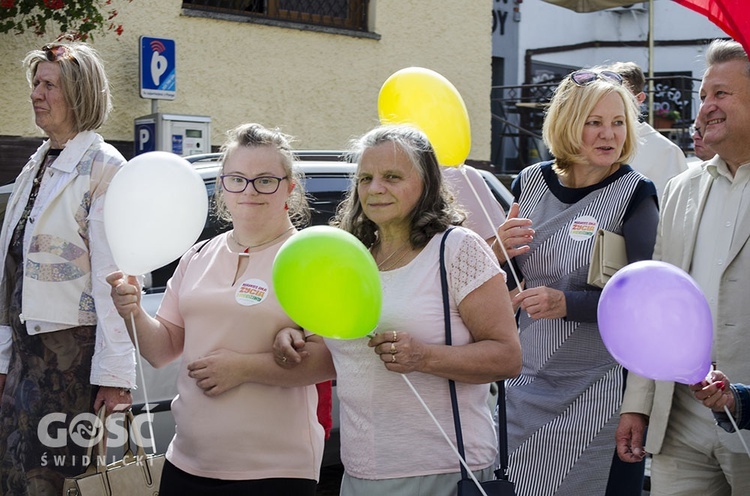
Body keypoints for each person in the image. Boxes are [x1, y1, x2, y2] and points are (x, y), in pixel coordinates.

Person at [274, 124, 522, 496]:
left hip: (442, 470)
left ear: (425, 184)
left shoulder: (457, 249)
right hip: (360, 471)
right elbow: (342, 350)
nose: (375, 189)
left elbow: (508, 357)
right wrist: (293, 337)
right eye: (366, 178)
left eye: (392, 177)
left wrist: (423, 356)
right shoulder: (353, 257)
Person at [107, 123, 336, 495]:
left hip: (275, 472)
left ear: (289, 189)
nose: (249, 190)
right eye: (237, 179)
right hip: (186, 462)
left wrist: (244, 368)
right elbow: (161, 350)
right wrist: (132, 312)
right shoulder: (197, 256)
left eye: (265, 180)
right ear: (223, 188)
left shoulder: (311, 260)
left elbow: (331, 360)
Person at [495, 67, 659, 496]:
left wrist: (567, 303)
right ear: (568, 124)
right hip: (524, 387)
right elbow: (501, 282)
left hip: (598, 396)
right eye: (594, 122)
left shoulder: (636, 193)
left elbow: (644, 306)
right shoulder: (528, 182)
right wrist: (496, 252)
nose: (609, 135)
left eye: (618, 123)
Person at [0, 41, 136, 493]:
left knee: (58, 483)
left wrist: (115, 378)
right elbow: (11, 274)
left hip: (70, 366)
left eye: (49, 84)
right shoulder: (38, 164)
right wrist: (4, 358)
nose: (36, 93)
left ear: (79, 94)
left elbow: (113, 278)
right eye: (35, 83)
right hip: (27, 360)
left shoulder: (104, 166)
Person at [616, 39, 750, 495]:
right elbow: (655, 304)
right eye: (703, 96)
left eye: (721, 94)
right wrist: (638, 405)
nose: (706, 107)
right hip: (681, 419)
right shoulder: (680, 188)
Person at [608, 61, 688, 199]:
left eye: (622, 96)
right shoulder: (594, 140)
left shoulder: (666, 151)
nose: (612, 103)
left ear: (639, 98)